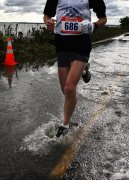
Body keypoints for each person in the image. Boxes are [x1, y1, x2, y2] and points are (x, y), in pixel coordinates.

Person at [43, 0, 107, 137]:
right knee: (66, 91)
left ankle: (65, 125)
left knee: (69, 88)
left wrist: (93, 26)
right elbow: (47, 16)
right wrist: (48, 23)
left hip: (81, 44)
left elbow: (103, 19)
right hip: (62, 44)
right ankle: (83, 70)